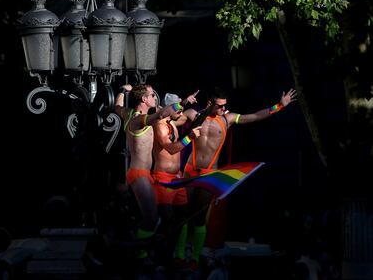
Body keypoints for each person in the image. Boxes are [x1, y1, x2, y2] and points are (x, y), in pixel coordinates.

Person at [178, 86, 297, 269]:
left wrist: (279, 106)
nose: (222, 109)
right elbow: (171, 118)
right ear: (210, 103)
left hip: (210, 173)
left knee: (199, 218)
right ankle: (179, 255)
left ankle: (194, 258)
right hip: (190, 170)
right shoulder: (194, 114)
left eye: (224, 105)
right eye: (218, 106)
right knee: (184, 216)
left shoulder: (228, 118)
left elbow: (255, 116)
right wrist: (183, 103)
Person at [114, 84, 198, 264]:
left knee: (154, 218)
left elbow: (117, 107)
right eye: (152, 95)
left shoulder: (127, 114)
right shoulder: (138, 119)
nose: (154, 98)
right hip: (139, 174)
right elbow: (160, 115)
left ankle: (146, 254)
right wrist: (180, 105)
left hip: (144, 174)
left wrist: (122, 90)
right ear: (144, 100)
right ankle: (140, 257)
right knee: (152, 218)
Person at [151, 93, 201, 268]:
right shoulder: (160, 125)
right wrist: (189, 138)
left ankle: (169, 257)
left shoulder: (174, 121)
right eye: (177, 109)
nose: (181, 112)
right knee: (167, 221)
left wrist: (209, 108)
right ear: (168, 109)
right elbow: (172, 149)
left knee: (182, 219)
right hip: (163, 179)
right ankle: (157, 259)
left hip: (177, 179)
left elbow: (193, 116)